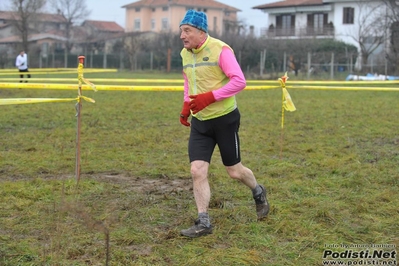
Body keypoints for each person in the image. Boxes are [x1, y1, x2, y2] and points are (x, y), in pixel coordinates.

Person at [178, 10, 270, 238]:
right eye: (181, 30)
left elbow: (240, 81)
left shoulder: (221, 49)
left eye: (187, 30)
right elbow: (188, 82)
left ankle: (258, 191)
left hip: (225, 119)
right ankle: (203, 221)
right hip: (201, 122)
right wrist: (185, 105)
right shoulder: (185, 53)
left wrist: (210, 97)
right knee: (196, 170)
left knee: (235, 172)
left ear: (201, 32)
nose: (182, 35)